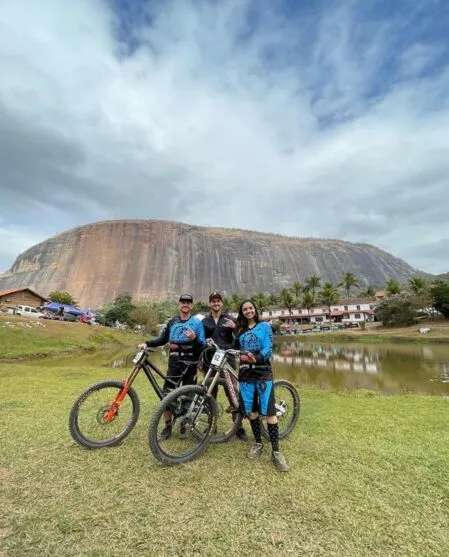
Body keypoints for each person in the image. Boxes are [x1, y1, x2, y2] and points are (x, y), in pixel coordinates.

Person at [137, 294, 205, 440]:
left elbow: (203, 346)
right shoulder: (172, 321)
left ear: (191, 306)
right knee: (166, 395)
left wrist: (194, 339)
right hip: (174, 362)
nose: (185, 304)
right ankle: (167, 426)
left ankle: (183, 424)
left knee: (188, 395)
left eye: (188, 302)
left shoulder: (197, 323)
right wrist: (147, 343)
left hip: (190, 364)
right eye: (183, 302)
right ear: (179, 305)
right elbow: (162, 340)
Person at [234, 300, 289, 472]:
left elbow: (268, 349)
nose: (248, 311)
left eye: (250, 308)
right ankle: (258, 443)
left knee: (269, 413)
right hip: (245, 375)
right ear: (242, 313)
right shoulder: (240, 331)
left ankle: (276, 452)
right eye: (245, 309)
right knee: (251, 412)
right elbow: (233, 348)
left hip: (263, 373)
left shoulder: (264, 326)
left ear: (255, 310)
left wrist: (256, 358)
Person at [201, 291, 248, 441]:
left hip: (227, 360)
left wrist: (235, 327)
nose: (216, 303)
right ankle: (211, 425)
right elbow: (201, 340)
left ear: (221, 303)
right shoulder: (204, 321)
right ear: (210, 303)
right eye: (213, 301)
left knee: (232, 393)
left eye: (218, 301)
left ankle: (238, 426)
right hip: (211, 361)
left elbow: (243, 334)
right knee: (210, 393)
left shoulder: (230, 318)